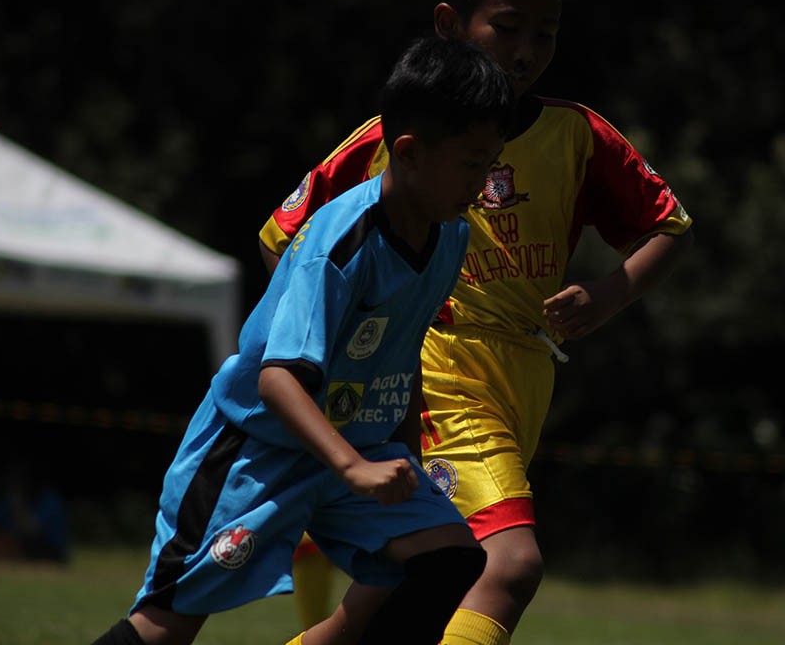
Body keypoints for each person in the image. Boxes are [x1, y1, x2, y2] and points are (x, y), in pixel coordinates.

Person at [260, 0, 694, 645]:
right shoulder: (391, 138)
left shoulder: (577, 135)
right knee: (511, 562)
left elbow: (672, 227)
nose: (525, 50)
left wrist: (611, 291)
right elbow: (283, 238)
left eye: (544, 34)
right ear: (448, 25)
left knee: (385, 597)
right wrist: (353, 343)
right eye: (507, 27)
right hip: (435, 371)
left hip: (523, 375)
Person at [91, 35, 515, 645]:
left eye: (492, 162)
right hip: (256, 450)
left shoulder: (451, 237)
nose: (484, 181)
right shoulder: (340, 242)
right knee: (167, 622)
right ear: (411, 152)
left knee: (449, 559)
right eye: (474, 163)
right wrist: (350, 467)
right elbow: (277, 377)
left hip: (361, 449)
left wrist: (402, 453)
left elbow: (403, 349)